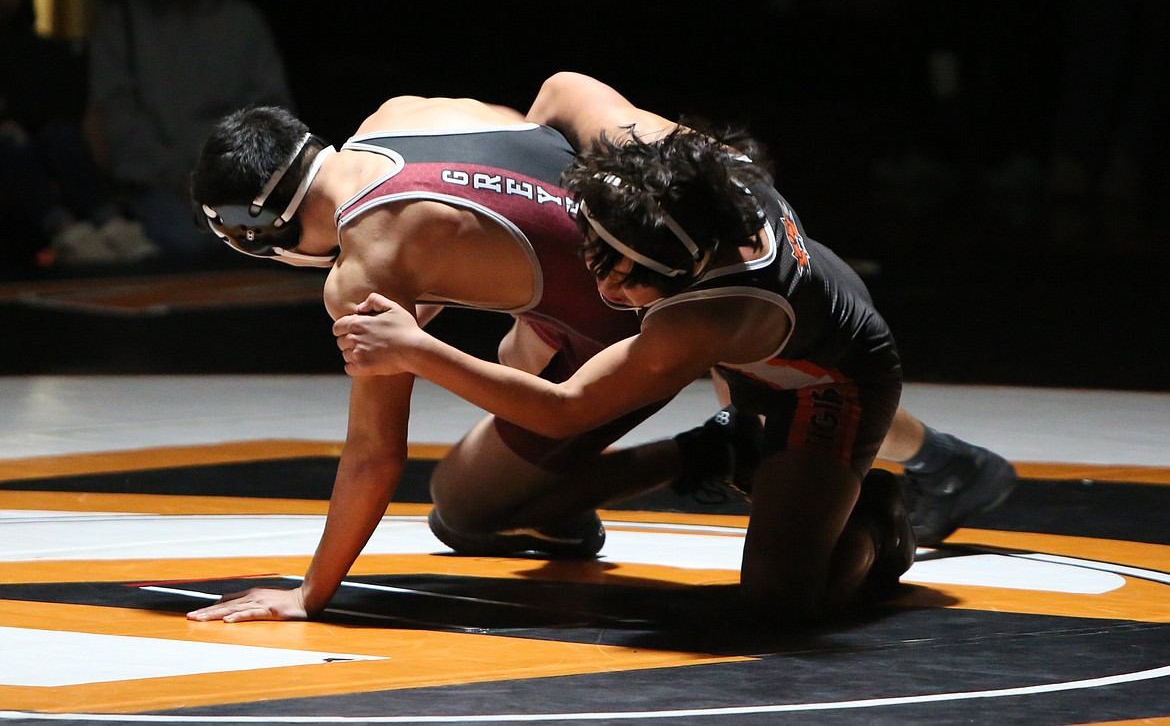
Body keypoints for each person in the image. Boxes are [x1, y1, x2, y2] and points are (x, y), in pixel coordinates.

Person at [185, 75, 1013, 625]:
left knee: (777, 508)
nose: (606, 276)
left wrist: (310, 593)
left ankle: (869, 502)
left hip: (707, 327)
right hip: (691, 288)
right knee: (466, 506)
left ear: (264, 234)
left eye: (617, 268)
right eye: (599, 257)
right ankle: (733, 449)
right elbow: (560, 94)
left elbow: (377, 453)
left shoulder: (673, 310)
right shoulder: (400, 114)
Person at [87, 0, 293, 260]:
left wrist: (230, 177)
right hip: (156, 186)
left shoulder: (241, 21)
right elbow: (118, 118)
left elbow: (272, 114)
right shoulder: (123, 23)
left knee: (280, 240)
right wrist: (179, 176)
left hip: (239, 186)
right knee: (192, 243)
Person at [0, 0, 155, 269]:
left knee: (60, 135)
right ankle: (65, 231)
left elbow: (55, 104)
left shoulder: (38, 51)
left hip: (41, 142)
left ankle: (110, 223)